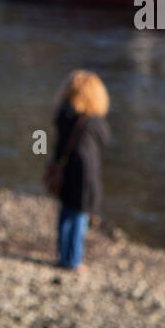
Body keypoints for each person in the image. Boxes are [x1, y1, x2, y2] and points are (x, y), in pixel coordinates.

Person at [50, 70, 111, 271]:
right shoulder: (93, 122)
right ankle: (74, 260)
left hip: (66, 172)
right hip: (85, 176)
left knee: (66, 214)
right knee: (79, 218)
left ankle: (63, 255)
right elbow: (105, 139)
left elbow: (57, 146)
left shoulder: (62, 116)